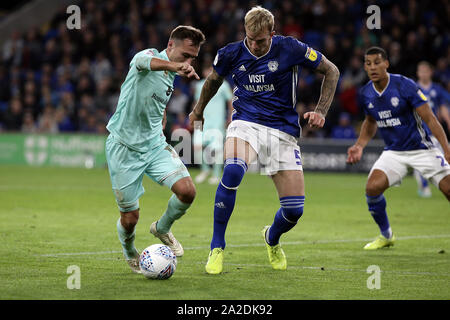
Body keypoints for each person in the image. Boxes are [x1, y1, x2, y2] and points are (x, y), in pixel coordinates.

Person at [189, 6, 339, 274]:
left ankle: (272, 238)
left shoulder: (291, 48)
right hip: (246, 123)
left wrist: (321, 111)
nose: (255, 45)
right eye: (250, 39)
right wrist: (198, 110)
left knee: (294, 211)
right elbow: (212, 81)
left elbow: (332, 71)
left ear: (273, 33)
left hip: (283, 131)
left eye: (261, 40)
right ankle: (217, 246)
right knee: (233, 169)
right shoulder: (231, 53)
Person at [105, 26, 205, 273]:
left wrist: (159, 119)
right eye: (185, 54)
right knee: (130, 219)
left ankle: (162, 227)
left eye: (192, 58)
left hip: (154, 145)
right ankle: (130, 252)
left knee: (187, 192)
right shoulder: (149, 56)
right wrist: (175, 66)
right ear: (170, 45)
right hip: (124, 147)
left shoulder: (171, 75)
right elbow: (143, 62)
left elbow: (155, 103)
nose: (188, 61)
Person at [347, 47, 450, 250]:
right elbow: (370, 122)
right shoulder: (366, 92)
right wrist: (359, 145)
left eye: (377, 62)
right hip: (394, 152)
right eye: (368, 63)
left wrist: (446, 148)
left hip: (422, 149)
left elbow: (430, 118)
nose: (373, 67)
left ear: (387, 63)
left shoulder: (405, 85)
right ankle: (387, 235)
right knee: (372, 188)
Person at [413, 61, 450, 198]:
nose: (423, 73)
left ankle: (431, 184)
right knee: (423, 160)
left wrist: (448, 120)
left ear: (430, 72)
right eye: (421, 71)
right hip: (418, 130)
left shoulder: (437, 89)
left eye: (425, 71)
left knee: (440, 160)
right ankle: (424, 186)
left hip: (434, 130)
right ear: (418, 73)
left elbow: (442, 107)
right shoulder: (413, 88)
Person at [192, 64, 233, 185]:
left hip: (217, 122)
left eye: (211, 70)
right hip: (201, 120)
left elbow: (230, 101)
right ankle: (205, 170)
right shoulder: (199, 85)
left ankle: (216, 175)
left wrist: (230, 116)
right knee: (197, 146)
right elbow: (196, 103)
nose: (208, 72)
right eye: (206, 69)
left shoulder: (223, 85)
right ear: (204, 71)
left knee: (217, 150)